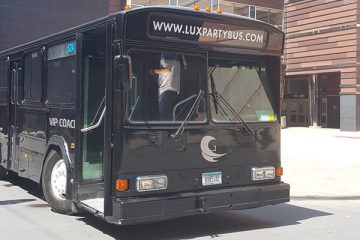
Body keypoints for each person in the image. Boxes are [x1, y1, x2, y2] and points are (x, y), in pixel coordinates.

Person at [152, 53, 181, 121]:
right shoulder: (173, 54)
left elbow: (167, 71)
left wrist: (152, 71)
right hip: (171, 90)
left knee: (165, 121)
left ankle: (165, 131)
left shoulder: (166, 52)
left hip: (166, 90)